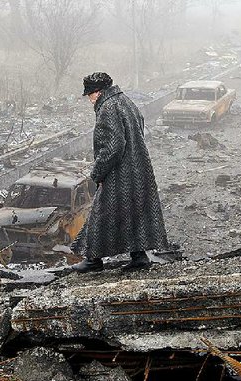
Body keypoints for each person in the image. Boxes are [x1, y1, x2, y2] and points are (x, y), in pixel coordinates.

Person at [70, 72, 169, 272]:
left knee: (100, 213)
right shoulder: (125, 101)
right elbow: (139, 126)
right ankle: (139, 256)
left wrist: (97, 174)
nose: (89, 99)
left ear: (97, 92)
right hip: (138, 169)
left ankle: (93, 260)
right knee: (135, 212)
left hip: (119, 173)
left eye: (89, 94)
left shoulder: (107, 108)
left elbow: (113, 147)